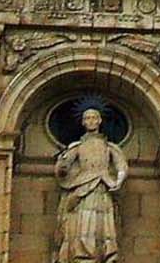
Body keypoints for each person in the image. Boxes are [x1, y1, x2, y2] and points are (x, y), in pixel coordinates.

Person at [54, 105, 129, 263]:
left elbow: (121, 166)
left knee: (103, 227)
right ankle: (84, 256)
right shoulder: (77, 147)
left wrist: (119, 181)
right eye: (87, 118)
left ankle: (106, 255)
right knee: (84, 225)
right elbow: (63, 169)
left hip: (103, 188)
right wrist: (61, 165)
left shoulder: (110, 147)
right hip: (83, 189)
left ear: (100, 120)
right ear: (83, 122)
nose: (91, 121)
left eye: (94, 117)